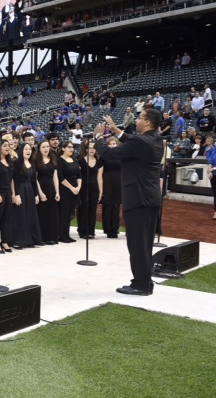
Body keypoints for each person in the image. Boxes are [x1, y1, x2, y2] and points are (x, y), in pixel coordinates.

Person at [94, 110, 164, 296]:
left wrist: (99, 135)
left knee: (136, 244)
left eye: (140, 118)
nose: (137, 120)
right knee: (145, 242)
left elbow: (108, 153)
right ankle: (145, 282)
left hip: (138, 198)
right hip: (151, 197)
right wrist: (117, 130)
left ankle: (140, 284)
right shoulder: (156, 139)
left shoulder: (140, 141)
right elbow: (133, 142)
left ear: (147, 122)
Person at [8, 142, 42, 249]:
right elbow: (14, 180)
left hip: (30, 191)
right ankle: (17, 240)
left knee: (30, 215)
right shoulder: (16, 163)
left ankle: (29, 240)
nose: (28, 151)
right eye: (26, 149)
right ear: (21, 150)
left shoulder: (32, 163)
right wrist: (16, 194)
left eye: (30, 149)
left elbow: (34, 181)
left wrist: (36, 194)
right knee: (19, 215)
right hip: (21, 190)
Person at [34, 140, 60, 245]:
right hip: (41, 187)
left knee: (52, 214)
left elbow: (55, 177)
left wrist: (57, 192)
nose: (46, 149)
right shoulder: (36, 161)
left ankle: (51, 237)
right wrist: (40, 193)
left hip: (51, 189)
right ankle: (43, 237)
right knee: (42, 214)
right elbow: (35, 178)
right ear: (39, 149)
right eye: (43, 147)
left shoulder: (53, 160)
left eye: (47, 147)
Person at [77, 139, 104, 239]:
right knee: (83, 209)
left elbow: (99, 178)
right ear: (86, 149)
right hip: (83, 189)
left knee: (92, 211)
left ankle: (91, 232)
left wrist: (101, 191)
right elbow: (78, 176)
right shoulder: (80, 161)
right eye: (90, 148)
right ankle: (83, 231)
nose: (92, 150)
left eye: (94, 148)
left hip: (94, 189)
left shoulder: (99, 163)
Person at [57, 141, 81, 243]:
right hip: (65, 189)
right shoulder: (59, 160)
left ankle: (67, 234)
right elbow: (60, 176)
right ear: (63, 148)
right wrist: (71, 188)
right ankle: (62, 235)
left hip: (75, 189)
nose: (71, 149)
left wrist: (78, 187)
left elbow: (79, 175)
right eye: (69, 147)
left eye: (73, 147)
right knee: (64, 212)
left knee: (70, 212)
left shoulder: (74, 159)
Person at [101, 137, 122, 238]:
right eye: (110, 144)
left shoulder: (121, 156)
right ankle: (107, 228)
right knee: (107, 204)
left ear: (117, 145)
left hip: (118, 181)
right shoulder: (103, 156)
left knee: (116, 205)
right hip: (107, 180)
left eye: (114, 144)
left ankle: (115, 228)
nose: (112, 146)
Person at [205, 137, 216, 220]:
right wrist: (209, 171)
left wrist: (213, 169)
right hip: (214, 175)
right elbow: (211, 161)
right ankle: (215, 213)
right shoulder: (214, 151)